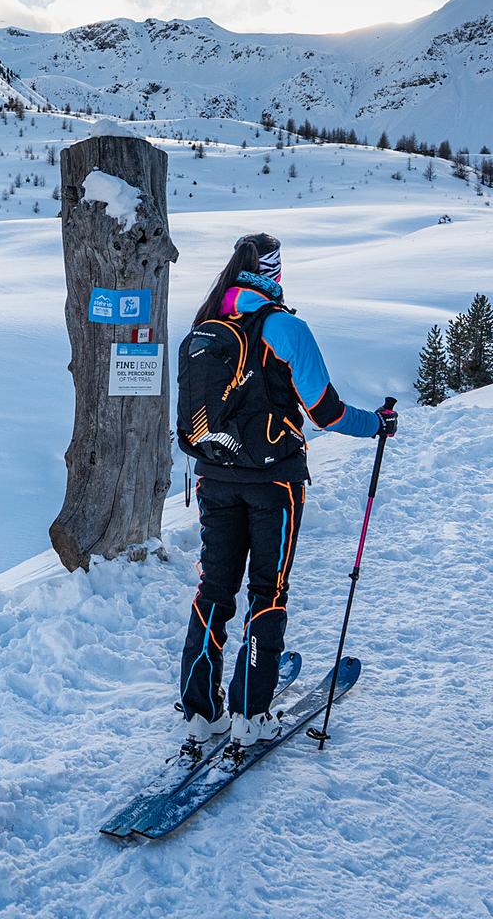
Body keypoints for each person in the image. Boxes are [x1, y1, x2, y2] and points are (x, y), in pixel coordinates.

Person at [178, 232, 395, 747]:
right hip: (275, 482)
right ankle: (252, 712)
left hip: (215, 476)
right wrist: (377, 424)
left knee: (214, 590)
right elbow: (327, 412)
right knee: (266, 591)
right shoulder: (284, 327)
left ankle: (200, 710)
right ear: (274, 274)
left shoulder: (209, 321)